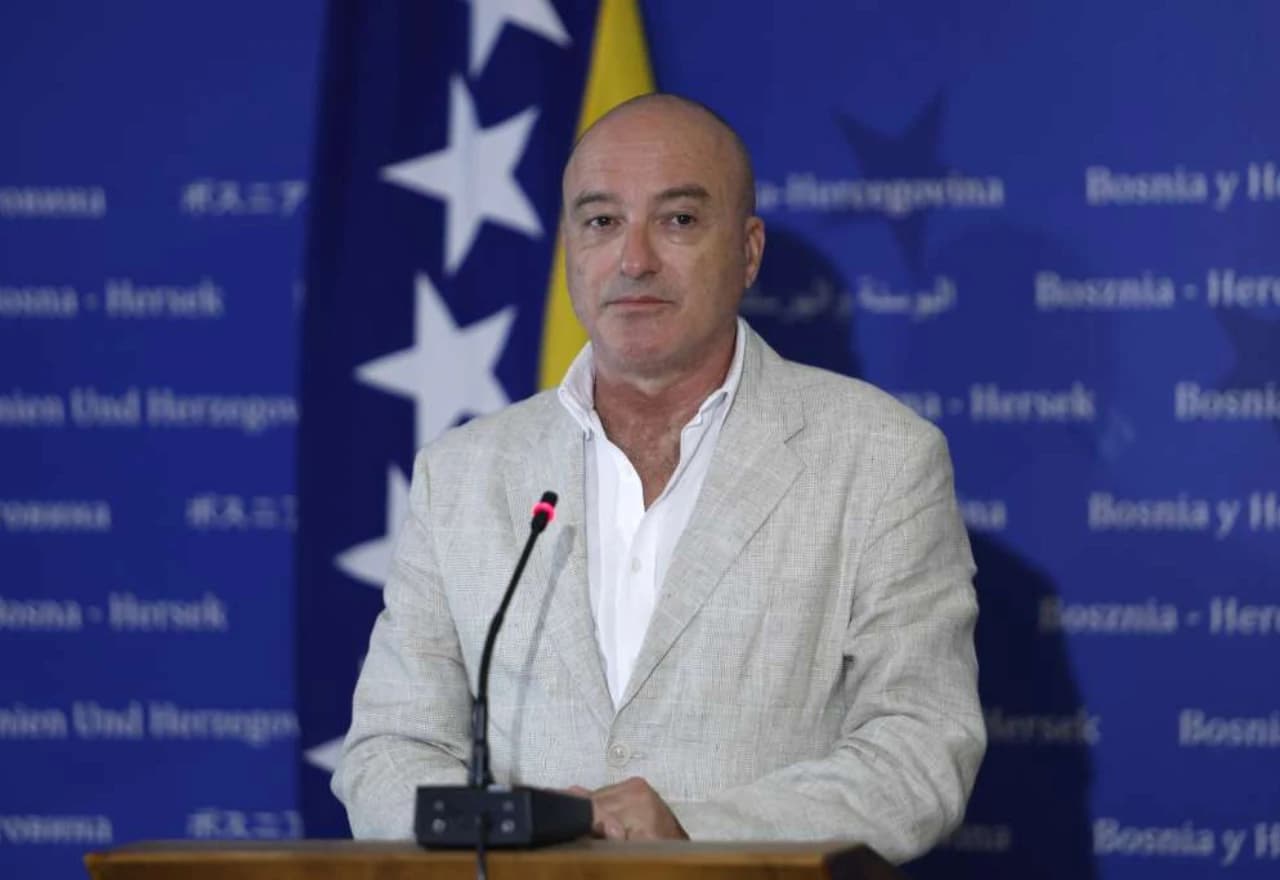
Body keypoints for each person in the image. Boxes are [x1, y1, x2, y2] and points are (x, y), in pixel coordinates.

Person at [332, 93, 984, 864]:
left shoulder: (880, 458)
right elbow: (388, 749)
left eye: (677, 220)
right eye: (601, 221)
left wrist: (692, 835)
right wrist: (516, 833)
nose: (634, 259)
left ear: (748, 252)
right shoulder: (463, 473)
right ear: (569, 249)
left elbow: (920, 752)